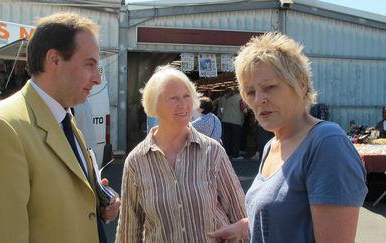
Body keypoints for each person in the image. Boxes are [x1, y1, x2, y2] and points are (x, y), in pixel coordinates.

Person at [0, 12, 120, 243]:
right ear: (54, 60)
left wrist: (98, 202)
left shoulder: (65, 118)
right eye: (90, 64)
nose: (97, 78)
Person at [208, 32, 367, 243]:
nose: (259, 100)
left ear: (301, 85)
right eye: (250, 92)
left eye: (269, 87)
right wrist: (247, 227)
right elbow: (289, 216)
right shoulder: (272, 145)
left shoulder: (327, 144)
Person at [115, 65, 247, 242]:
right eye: (174, 98)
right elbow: (129, 230)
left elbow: (240, 215)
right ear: (154, 105)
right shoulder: (137, 161)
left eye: (187, 96)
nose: (184, 104)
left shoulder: (212, 151)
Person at [221, 87, 246, 159]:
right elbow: (245, 111)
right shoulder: (241, 99)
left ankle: (228, 153)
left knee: (228, 138)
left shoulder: (228, 99)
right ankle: (235, 155)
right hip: (236, 121)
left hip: (225, 120)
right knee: (235, 139)